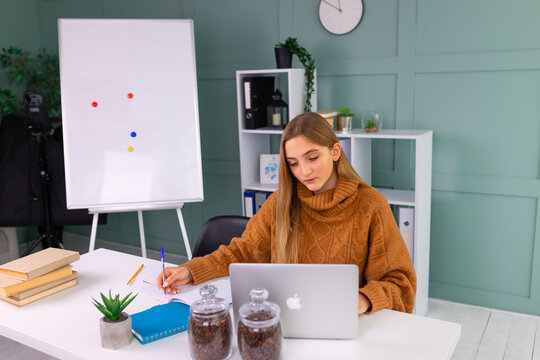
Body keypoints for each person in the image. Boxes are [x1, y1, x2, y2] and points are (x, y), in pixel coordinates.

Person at [157, 112, 416, 314]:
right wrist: (191, 271)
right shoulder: (280, 203)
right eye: (293, 163)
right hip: (284, 322)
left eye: (312, 157)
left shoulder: (371, 206)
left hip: (348, 326)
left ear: (335, 152)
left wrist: (362, 300)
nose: (304, 172)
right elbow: (242, 252)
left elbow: (401, 284)